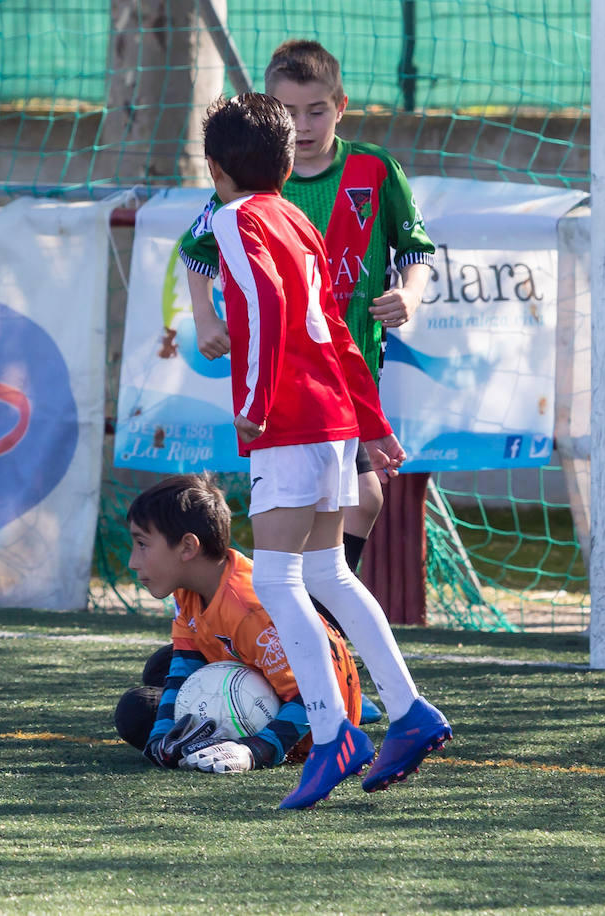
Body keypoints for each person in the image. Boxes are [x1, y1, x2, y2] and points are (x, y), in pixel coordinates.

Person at [199, 92, 450, 809]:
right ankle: (408, 713)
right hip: (334, 418)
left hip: (290, 422)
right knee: (327, 573)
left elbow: (273, 309)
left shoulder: (234, 218)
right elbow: (336, 332)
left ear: (215, 167)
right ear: (286, 163)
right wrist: (369, 420)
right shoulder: (299, 220)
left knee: (278, 581)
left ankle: (334, 729)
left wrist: (251, 405)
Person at [177, 40, 435, 604]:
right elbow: (195, 252)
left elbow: (416, 249)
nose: (304, 123)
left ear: (340, 105)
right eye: (288, 113)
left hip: (350, 364)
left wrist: (409, 296)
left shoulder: (374, 169)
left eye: (316, 110)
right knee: (337, 506)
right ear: (271, 114)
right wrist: (205, 317)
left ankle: (301, 628)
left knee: (350, 504)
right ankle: (303, 627)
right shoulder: (256, 178)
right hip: (290, 375)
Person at [114, 474, 370, 774]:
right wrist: (162, 736)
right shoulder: (190, 588)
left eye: (142, 544)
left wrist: (254, 750)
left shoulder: (250, 609)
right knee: (162, 665)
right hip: (271, 676)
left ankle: (356, 706)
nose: (132, 561)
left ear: (187, 548)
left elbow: (315, 696)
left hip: (312, 728)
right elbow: (184, 666)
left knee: (135, 712)